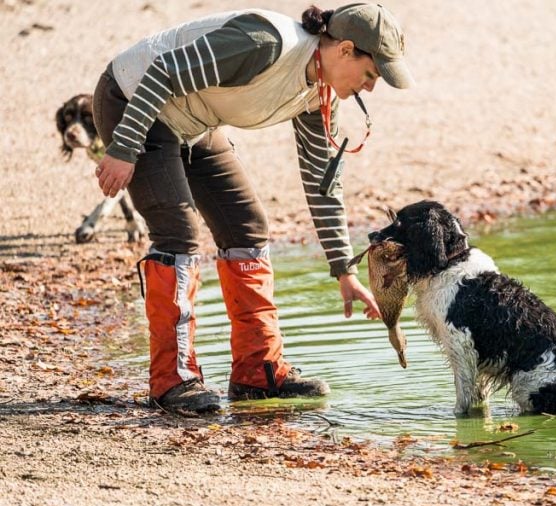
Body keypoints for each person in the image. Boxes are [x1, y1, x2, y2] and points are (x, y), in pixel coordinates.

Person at [92, 3, 414, 413]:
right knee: (178, 233)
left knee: (247, 225)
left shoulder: (320, 94)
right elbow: (164, 72)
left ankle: (257, 373)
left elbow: (323, 185)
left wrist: (344, 271)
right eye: (370, 74)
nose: (370, 88)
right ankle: (173, 381)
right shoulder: (263, 44)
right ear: (346, 50)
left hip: (195, 120)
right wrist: (123, 147)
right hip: (133, 100)